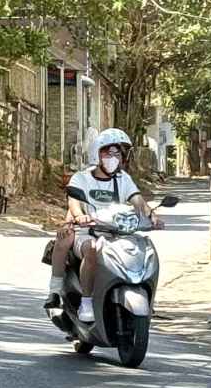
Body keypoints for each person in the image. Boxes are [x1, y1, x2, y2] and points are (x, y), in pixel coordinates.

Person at [44, 128, 163, 320]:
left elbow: (137, 200)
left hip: (117, 232)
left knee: (144, 249)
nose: (113, 157)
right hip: (87, 231)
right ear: (96, 153)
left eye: (117, 153)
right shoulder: (81, 178)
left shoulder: (123, 179)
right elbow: (74, 202)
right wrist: (80, 216)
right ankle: (86, 302)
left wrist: (151, 215)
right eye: (108, 152)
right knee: (91, 248)